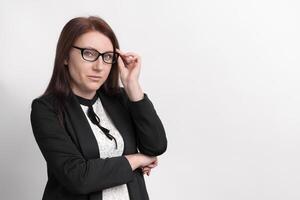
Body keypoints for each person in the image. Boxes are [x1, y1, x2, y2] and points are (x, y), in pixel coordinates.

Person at [30, 16, 167, 200]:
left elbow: (156, 145)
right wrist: (136, 159)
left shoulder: (119, 99)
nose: (99, 66)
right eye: (89, 53)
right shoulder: (46, 109)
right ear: (65, 56)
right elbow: (78, 177)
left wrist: (132, 85)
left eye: (107, 57)